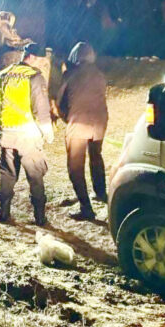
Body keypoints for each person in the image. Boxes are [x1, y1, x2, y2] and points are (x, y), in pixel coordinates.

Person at [0, 42, 54, 225]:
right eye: (41, 60)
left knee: (7, 174)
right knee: (35, 175)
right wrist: (48, 132)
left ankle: (3, 214)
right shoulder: (34, 77)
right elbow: (41, 109)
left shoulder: (3, 75)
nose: (43, 64)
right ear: (32, 57)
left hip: (7, 133)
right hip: (27, 135)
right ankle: (40, 217)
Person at [57, 41, 108, 221]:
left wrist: (64, 117)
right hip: (100, 122)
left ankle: (86, 207)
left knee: (75, 167)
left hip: (79, 123)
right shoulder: (99, 74)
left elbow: (59, 101)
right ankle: (101, 193)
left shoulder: (69, 74)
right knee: (96, 156)